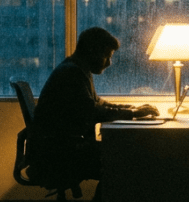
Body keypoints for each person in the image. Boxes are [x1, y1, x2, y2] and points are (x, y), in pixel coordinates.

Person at [29, 27, 158, 201]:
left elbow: (98, 104)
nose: (109, 62)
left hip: (59, 149)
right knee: (125, 160)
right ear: (92, 50)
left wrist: (133, 109)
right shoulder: (72, 73)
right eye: (107, 55)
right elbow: (93, 112)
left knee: (123, 157)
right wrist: (133, 114)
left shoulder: (77, 69)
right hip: (59, 155)